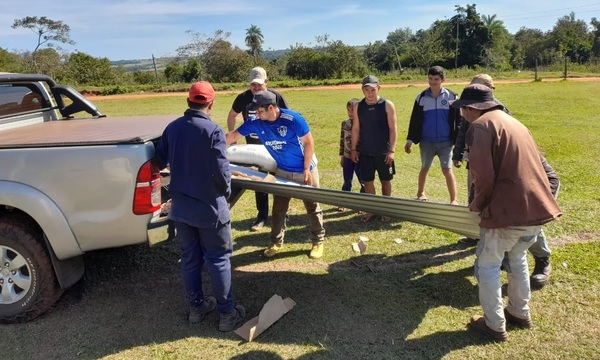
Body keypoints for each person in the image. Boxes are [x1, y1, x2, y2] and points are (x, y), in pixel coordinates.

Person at [450, 83, 562, 342]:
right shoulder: (516, 124)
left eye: (462, 109)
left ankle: (493, 325)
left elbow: (483, 176)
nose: (461, 114)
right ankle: (520, 313)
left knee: (487, 264)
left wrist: (478, 204)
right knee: (518, 259)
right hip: (534, 211)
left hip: (505, 213)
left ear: (471, 108)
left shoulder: (479, 127)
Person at [155, 81, 245, 332]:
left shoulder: (172, 128)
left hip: (181, 208)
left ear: (188, 101)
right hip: (209, 208)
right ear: (211, 103)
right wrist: (225, 195)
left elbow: (159, 157)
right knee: (218, 259)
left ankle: (197, 308)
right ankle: (227, 313)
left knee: (190, 259)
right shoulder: (213, 131)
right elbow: (221, 170)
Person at [225, 91, 326, 259]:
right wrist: (210, 143)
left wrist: (306, 169)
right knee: (278, 209)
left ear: (271, 108)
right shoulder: (256, 123)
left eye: (259, 110)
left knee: (312, 205)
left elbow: (309, 142)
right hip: (283, 171)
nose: (256, 114)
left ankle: (318, 241)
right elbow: (234, 135)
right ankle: (276, 242)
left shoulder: (293, 119)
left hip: (305, 170)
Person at [227, 67, 290, 232]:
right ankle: (262, 216)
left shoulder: (276, 97)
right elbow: (232, 115)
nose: (255, 88)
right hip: (253, 148)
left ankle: (283, 215)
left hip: (275, 146)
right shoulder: (243, 98)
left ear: (267, 82)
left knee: (279, 180)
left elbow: (287, 117)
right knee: (259, 181)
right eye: (253, 84)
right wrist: (233, 142)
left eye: (259, 84)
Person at [405, 66, 459, 204]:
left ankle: (454, 199)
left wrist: (458, 142)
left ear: (443, 80)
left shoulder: (452, 96)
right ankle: (420, 193)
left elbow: (458, 121)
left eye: (436, 79)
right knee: (425, 168)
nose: (433, 82)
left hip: (445, 141)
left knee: (447, 169)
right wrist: (410, 140)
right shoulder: (421, 97)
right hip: (426, 141)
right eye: (430, 78)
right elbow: (415, 120)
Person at [350, 75, 398, 222]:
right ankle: (372, 210)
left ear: (379, 88)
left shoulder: (387, 105)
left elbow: (393, 129)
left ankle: (386, 209)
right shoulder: (359, 106)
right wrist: (353, 149)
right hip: (365, 152)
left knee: (385, 181)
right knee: (368, 181)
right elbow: (356, 128)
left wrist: (391, 151)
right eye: (367, 90)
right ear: (362, 90)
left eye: (373, 89)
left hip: (383, 151)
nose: (370, 93)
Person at [338, 98, 364, 211]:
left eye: (353, 110)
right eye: (348, 110)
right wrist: (342, 156)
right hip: (347, 157)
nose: (350, 113)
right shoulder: (345, 123)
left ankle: (361, 204)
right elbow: (342, 140)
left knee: (363, 181)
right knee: (347, 180)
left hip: (360, 158)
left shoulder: (364, 123)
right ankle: (344, 202)